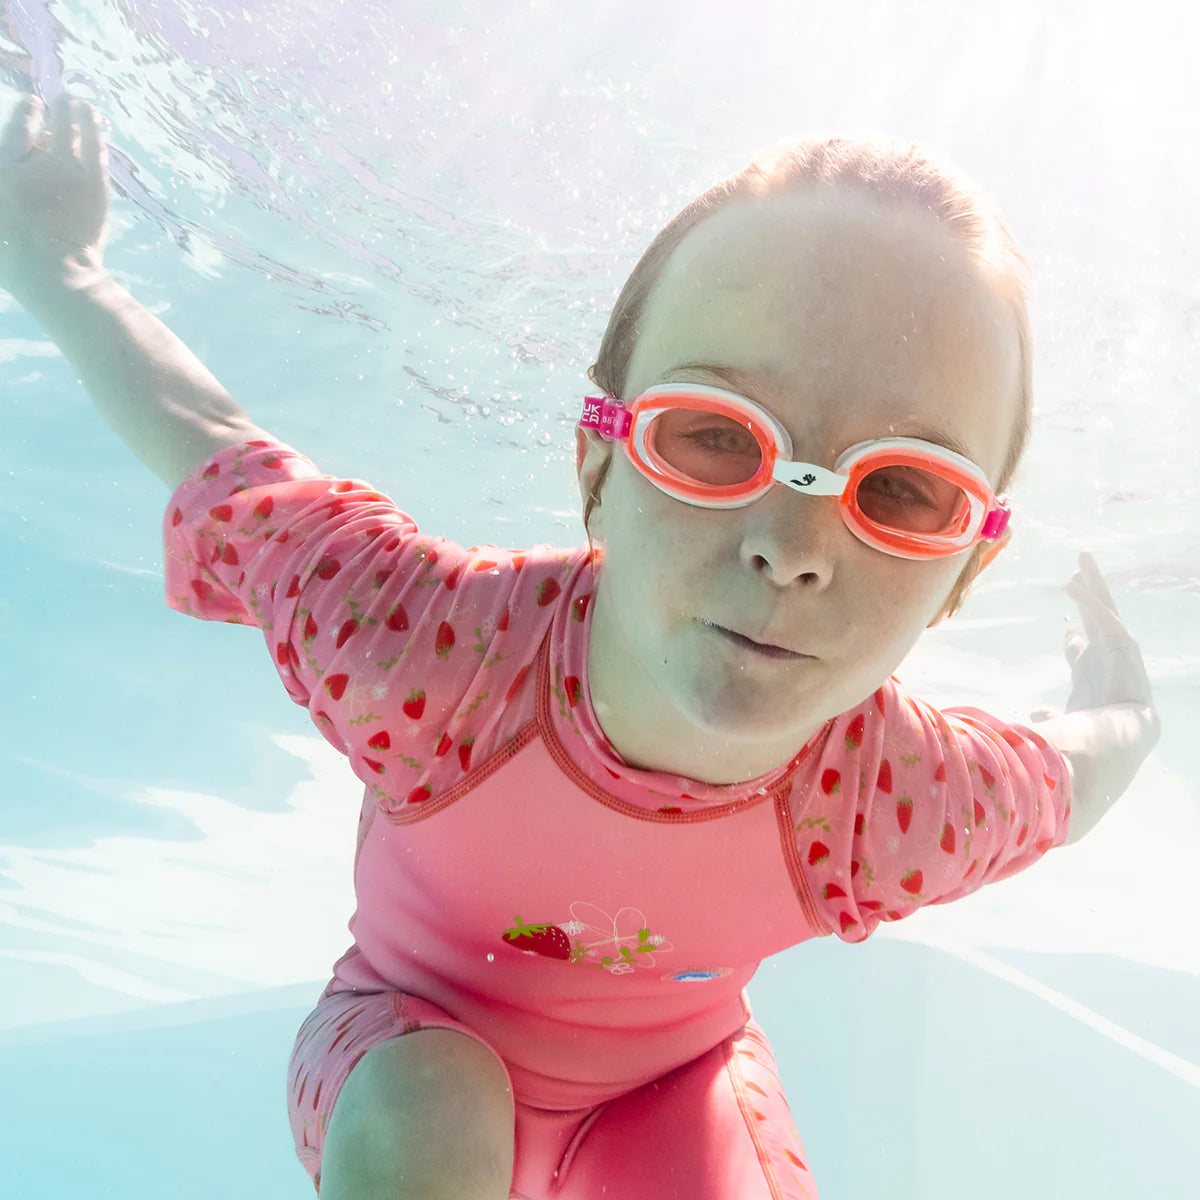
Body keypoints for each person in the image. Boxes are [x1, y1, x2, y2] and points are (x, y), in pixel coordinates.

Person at [0, 92, 1160, 1200]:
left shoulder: (894, 801)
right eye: (715, 436)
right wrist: (60, 263)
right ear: (597, 463)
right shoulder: (436, 655)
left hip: (677, 1090)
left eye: (904, 490)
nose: (792, 547)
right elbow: (218, 450)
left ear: (966, 570)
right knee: (426, 1105)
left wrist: (1127, 704)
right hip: (397, 1043)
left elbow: (1076, 772)